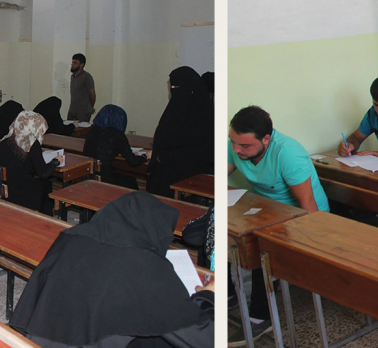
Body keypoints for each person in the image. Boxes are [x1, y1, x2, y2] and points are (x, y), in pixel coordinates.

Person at [9, 191, 214, 348]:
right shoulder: (143, 264)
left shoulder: (71, 237)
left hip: (42, 337)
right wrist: (207, 296)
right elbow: (203, 337)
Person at [227, 106, 328, 345]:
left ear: (266, 139)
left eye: (244, 146)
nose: (236, 150)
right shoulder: (237, 145)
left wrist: (306, 247)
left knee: (261, 245)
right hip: (265, 211)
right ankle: (225, 294)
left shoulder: (288, 153)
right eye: (233, 142)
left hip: (300, 216)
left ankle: (261, 317)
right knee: (213, 227)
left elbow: (308, 207)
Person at [147, 66, 214, 197]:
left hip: (190, 181)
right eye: (172, 87)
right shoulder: (174, 110)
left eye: (177, 87)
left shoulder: (204, 117)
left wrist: (164, 156)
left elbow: (203, 152)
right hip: (163, 178)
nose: (173, 91)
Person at [0, 110, 62, 215]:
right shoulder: (32, 145)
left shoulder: (6, 140)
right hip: (20, 194)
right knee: (46, 184)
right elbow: (43, 173)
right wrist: (56, 161)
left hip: (3, 190)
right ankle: (46, 221)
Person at [82, 105, 147, 189]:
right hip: (106, 180)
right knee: (131, 180)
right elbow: (133, 161)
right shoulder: (117, 134)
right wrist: (146, 156)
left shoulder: (93, 131)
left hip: (89, 176)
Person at [68, 53, 96, 122]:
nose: (72, 64)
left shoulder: (87, 77)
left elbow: (92, 94)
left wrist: (91, 107)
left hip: (83, 112)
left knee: (81, 131)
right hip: (72, 110)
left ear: (81, 65)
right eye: (72, 62)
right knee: (68, 130)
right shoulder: (73, 76)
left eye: (75, 63)